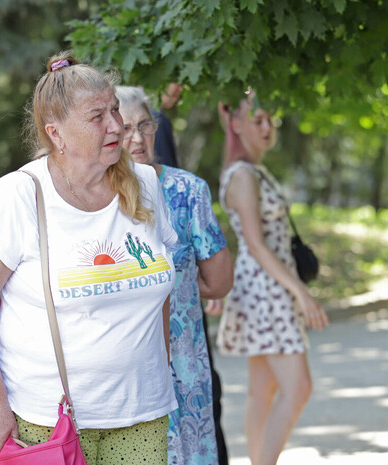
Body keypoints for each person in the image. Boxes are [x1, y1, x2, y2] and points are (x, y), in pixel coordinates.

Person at [0, 52, 178, 465]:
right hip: (47, 422)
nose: (117, 125)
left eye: (114, 110)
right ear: (56, 133)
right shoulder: (17, 196)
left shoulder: (145, 184)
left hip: (143, 415)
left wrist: (158, 371)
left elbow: (158, 295)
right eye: (97, 116)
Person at [206, 90, 329, 465]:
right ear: (236, 124)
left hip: (268, 287)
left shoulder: (254, 170)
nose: (266, 127)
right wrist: (301, 294)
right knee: (298, 388)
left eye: (269, 120)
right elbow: (256, 246)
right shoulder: (242, 175)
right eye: (257, 120)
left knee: (264, 390)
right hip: (265, 289)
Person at [116, 85, 234, 465]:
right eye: (126, 128)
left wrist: (182, 285)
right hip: (125, 362)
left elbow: (220, 281)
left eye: (145, 125)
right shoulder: (99, 197)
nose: (137, 137)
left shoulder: (187, 191)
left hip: (182, 359)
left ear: (157, 127)